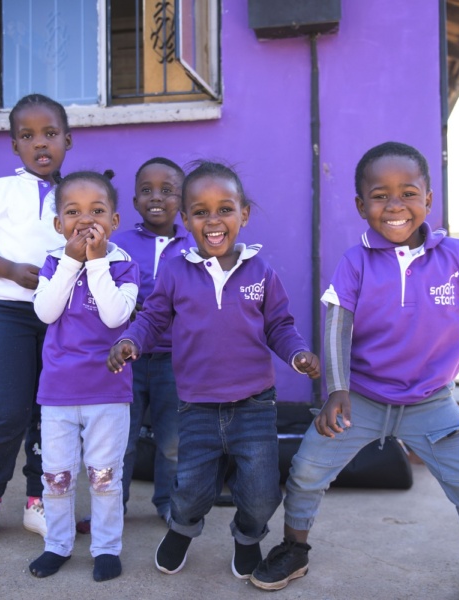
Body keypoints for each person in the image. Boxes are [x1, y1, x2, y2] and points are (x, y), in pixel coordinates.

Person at [249, 141, 459, 600]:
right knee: (307, 470)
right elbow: (338, 323)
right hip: (363, 399)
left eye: (408, 193)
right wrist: (337, 390)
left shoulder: (456, 256)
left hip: (431, 400)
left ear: (428, 199)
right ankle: (294, 548)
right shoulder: (355, 262)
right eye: (380, 196)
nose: (395, 206)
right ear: (361, 206)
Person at [107, 161, 321, 580]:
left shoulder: (261, 272)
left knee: (260, 493)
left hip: (255, 405)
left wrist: (297, 354)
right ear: (185, 220)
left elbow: (279, 325)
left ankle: (247, 536)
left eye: (225, 208)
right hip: (198, 406)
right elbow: (152, 319)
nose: (214, 220)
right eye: (200, 212)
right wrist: (131, 340)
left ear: (244, 214)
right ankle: (182, 529)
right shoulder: (175, 270)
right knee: (189, 490)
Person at [0, 93, 72, 548]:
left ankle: (38, 500)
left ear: (68, 140)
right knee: (7, 412)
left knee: (51, 414)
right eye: (28, 136)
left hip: (62, 318)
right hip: (9, 315)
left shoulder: (76, 192)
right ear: (14, 146)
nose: (40, 144)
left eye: (50, 134)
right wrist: (8, 270)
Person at [28, 170, 139, 582]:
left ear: (114, 221)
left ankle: (107, 548)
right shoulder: (55, 263)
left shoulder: (124, 265)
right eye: (73, 211)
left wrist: (95, 264)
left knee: (105, 476)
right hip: (58, 392)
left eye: (97, 210)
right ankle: (57, 545)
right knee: (56, 477)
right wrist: (73, 262)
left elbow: (115, 315)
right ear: (59, 224)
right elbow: (45, 312)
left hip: (108, 391)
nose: (85, 219)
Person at [114, 157, 190, 524]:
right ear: (133, 202)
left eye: (167, 190)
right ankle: (113, 504)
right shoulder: (119, 243)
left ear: (184, 200)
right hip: (127, 359)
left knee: (172, 442)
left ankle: (167, 502)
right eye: (146, 190)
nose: (155, 197)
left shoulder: (195, 247)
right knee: (121, 441)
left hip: (175, 361)